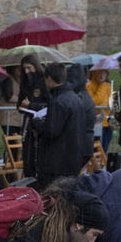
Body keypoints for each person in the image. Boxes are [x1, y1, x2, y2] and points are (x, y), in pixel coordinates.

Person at [30, 62, 88, 190]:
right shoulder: (74, 98)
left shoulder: (59, 101)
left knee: (52, 196)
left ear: (49, 78)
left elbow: (51, 130)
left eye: (45, 78)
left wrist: (36, 122)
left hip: (56, 161)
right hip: (71, 159)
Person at [86, 67, 113, 151]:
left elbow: (111, 102)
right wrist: (102, 86)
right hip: (95, 124)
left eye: (104, 73)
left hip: (106, 124)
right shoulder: (88, 86)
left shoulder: (108, 86)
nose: (102, 75)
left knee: (103, 151)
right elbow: (95, 101)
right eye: (99, 72)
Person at [0, 64, 24, 136]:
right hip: (8, 117)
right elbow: (9, 96)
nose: (20, 69)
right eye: (17, 67)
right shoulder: (7, 79)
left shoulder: (18, 80)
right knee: (12, 140)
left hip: (15, 117)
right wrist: (22, 100)